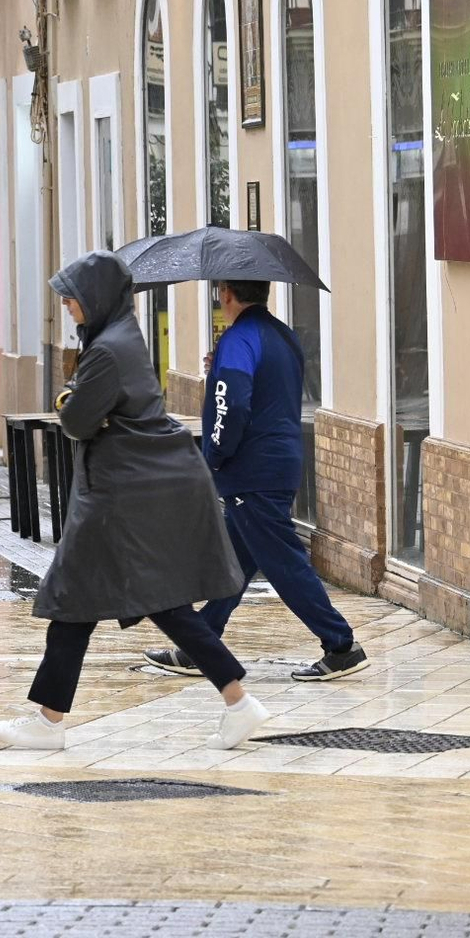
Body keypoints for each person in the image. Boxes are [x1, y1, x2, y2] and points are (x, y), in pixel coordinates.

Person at [0, 252, 270, 752]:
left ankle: (49, 724)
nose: (68, 305)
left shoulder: (107, 352)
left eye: (73, 296)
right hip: (129, 489)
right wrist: (79, 404)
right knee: (154, 602)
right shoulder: (118, 340)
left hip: (120, 497)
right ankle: (238, 700)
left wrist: (70, 402)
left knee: (76, 598)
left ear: (96, 297)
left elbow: (74, 421)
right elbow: (87, 413)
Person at [145, 280, 370, 682]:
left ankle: (341, 645)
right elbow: (265, 389)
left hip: (252, 471)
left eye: (219, 292)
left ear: (227, 294)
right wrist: (220, 368)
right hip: (279, 461)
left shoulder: (239, 339)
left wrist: (215, 455)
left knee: (284, 563)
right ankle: (200, 645)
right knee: (235, 561)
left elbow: (232, 405)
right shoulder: (281, 335)